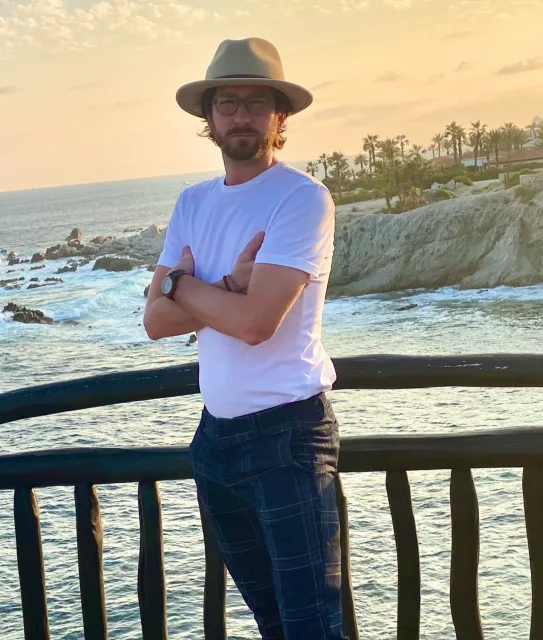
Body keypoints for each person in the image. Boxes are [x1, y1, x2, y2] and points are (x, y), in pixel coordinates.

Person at [143, 37, 346, 640]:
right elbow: (154, 323)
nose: (241, 115)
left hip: (287, 438)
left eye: (257, 103)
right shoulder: (192, 202)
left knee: (311, 627)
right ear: (209, 117)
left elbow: (258, 324)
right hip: (215, 442)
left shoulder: (301, 199)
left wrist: (180, 283)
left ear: (279, 117)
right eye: (227, 102)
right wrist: (227, 284)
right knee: (271, 625)